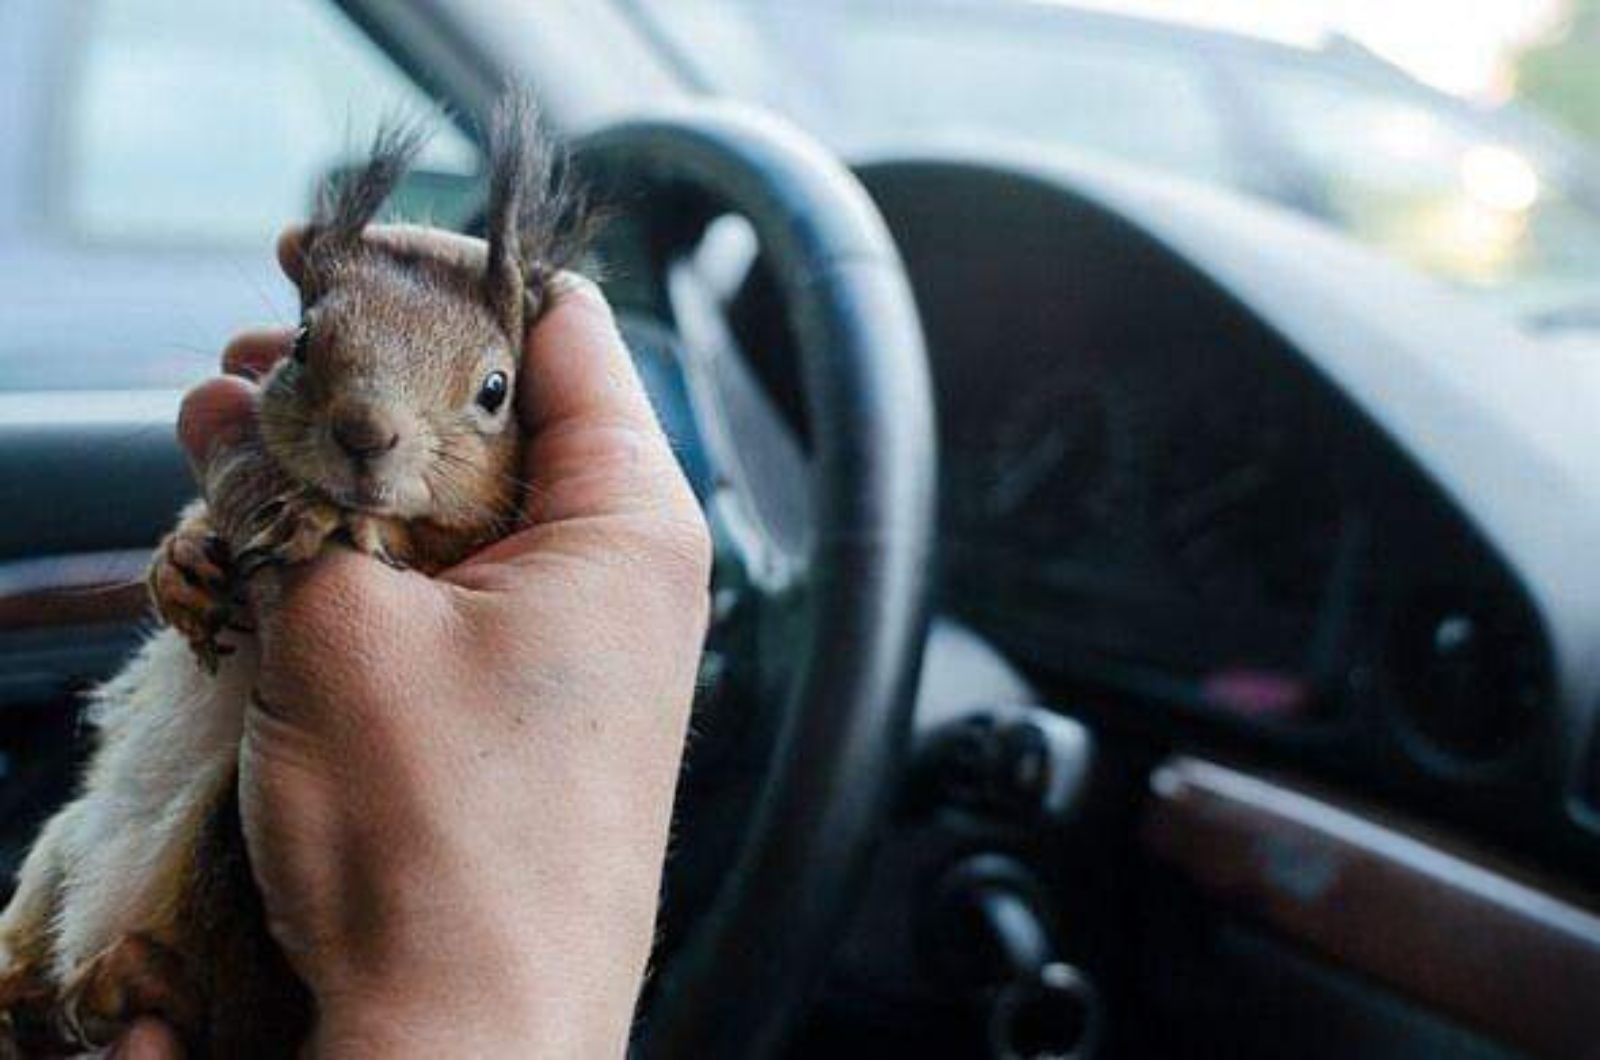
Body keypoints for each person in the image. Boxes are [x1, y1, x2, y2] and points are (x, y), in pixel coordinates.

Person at [104, 226, 712, 1058]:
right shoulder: (256, 491)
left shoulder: (482, 556)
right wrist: (194, 560)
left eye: (488, 393)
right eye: (320, 349)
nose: (371, 427)